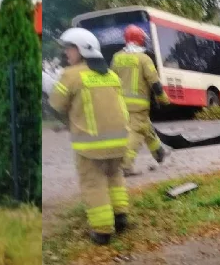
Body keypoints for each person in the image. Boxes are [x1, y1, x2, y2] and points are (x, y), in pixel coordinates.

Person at [49, 28, 131, 245]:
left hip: (91, 145)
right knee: (114, 177)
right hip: (119, 140)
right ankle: (120, 216)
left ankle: (103, 231)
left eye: (69, 48)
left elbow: (56, 104)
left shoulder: (71, 75)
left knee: (94, 184)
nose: (66, 53)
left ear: (82, 49)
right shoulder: (111, 75)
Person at [110, 24, 171, 175]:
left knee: (146, 128)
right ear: (140, 40)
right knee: (136, 132)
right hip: (138, 105)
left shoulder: (117, 58)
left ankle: (159, 153)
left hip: (120, 104)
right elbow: (154, 82)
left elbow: (111, 79)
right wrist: (163, 99)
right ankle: (125, 166)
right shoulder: (144, 59)